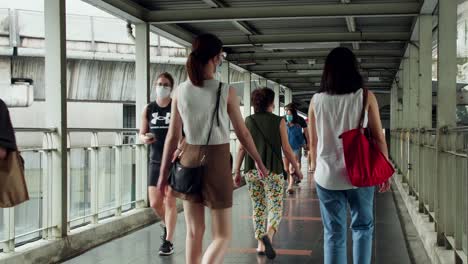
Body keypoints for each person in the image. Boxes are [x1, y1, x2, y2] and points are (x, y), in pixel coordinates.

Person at [156, 33, 268, 264]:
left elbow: (172, 136)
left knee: (194, 232)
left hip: (187, 160)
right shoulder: (225, 91)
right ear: (216, 58)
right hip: (216, 159)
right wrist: (257, 160)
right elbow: (243, 133)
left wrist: (161, 174)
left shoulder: (180, 92)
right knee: (223, 235)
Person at [308, 47, 391, 264]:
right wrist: (384, 172)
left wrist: (313, 165)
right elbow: (378, 137)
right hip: (361, 173)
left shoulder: (316, 100)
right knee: (363, 227)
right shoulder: (365, 96)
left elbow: (313, 141)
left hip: (326, 176)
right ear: (354, 70)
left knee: (334, 233)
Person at [233, 88, 303, 260]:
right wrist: (297, 169)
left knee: (258, 207)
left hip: (251, 171)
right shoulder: (279, 121)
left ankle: (259, 244)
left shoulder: (247, 121)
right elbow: (286, 149)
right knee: (275, 206)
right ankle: (269, 234)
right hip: (273, 171)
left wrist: (236, 171)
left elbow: (241, 148)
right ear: (271, 103)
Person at [139, 72, 178, 256]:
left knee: (170, 199)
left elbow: (185, 134)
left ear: (171, 87)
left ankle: (169, 241)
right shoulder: (148, 109)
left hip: (173, 160)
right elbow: (141, 132)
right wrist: (143, 138)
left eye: (165, 84)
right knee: (155, 202)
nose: (161, 86)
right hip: (155, 159)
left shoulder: (176, 107)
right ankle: (168, 225)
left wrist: (181, 149)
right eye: (159, 83)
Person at [283, 104, 307, 194]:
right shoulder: (283, 125)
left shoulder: (297, 126)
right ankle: (293, 179)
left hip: (295, 148)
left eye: (290, 114)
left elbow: (301, 138)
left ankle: (290, 186)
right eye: (287, 114)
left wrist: (305, 146)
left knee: (291, 168)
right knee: (286, 169)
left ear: (293, 115)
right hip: (285, 149)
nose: (288, 116)